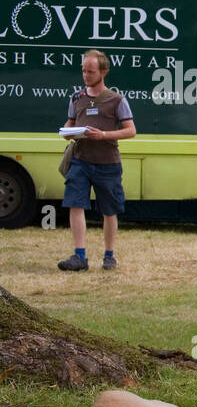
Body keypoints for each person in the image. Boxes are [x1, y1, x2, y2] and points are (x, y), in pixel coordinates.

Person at [58, 50, 137, 271]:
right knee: (75, 203)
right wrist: (68, 132)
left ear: (103, 72)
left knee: (109, 210)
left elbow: (131, 131)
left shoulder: (117, 100)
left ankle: (109, 255)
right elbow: (70, 124)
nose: (86, 75)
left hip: (108, 163)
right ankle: (79, 256)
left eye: (90, 71)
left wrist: (102, 135)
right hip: (80, 160)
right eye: (83, 71)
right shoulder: (76, 98)